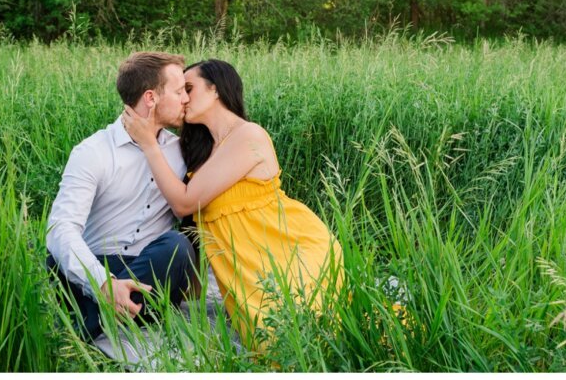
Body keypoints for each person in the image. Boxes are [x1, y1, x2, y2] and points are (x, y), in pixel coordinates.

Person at [122, 59, 343, 349]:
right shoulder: (205, 151)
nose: (184, 98)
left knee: (297, 342)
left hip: (289, 252)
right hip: (252, 270)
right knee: (271, 342)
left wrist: (149, 143)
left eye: (190, 88)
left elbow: (184, 203)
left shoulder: (248, 135)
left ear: (215, 90)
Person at [45, 51, 197, 352]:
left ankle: (88, 321)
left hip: (150, 271)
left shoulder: (183, 152)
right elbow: (60, 228)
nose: (185, 100)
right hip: (97, 265)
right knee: (57, 263)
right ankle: (109, 308)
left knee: (177, 248)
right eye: (179, 91)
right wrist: (103, 283)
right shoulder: (93, 152)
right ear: (151, 98)